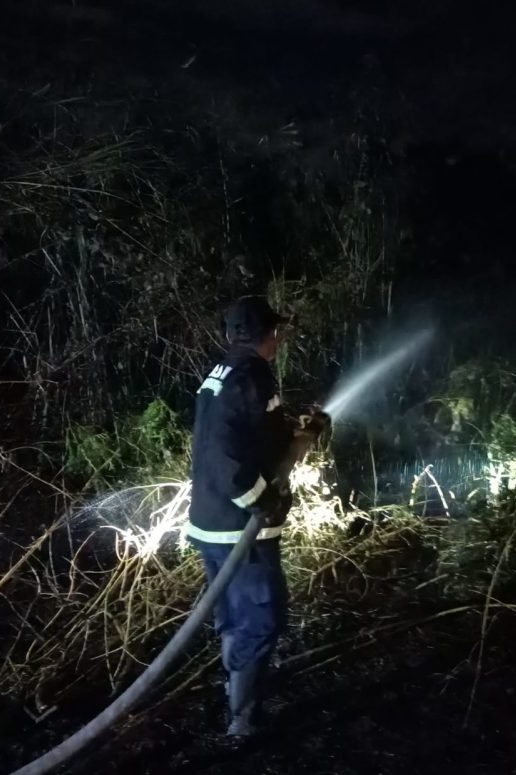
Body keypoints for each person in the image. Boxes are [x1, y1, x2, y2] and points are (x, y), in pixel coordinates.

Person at [186, 296, 294, 737]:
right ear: (266, 336)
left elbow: (249, 431)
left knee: (233, 615)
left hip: (211, 523)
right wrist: (261, 501)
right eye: (275, 332)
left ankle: (236, 702)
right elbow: (227, 458)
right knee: (260, 618)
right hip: (237, 530)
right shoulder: (251, 376)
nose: (278, 340)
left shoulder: (223, 373)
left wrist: (294, 426)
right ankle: (242, 723)